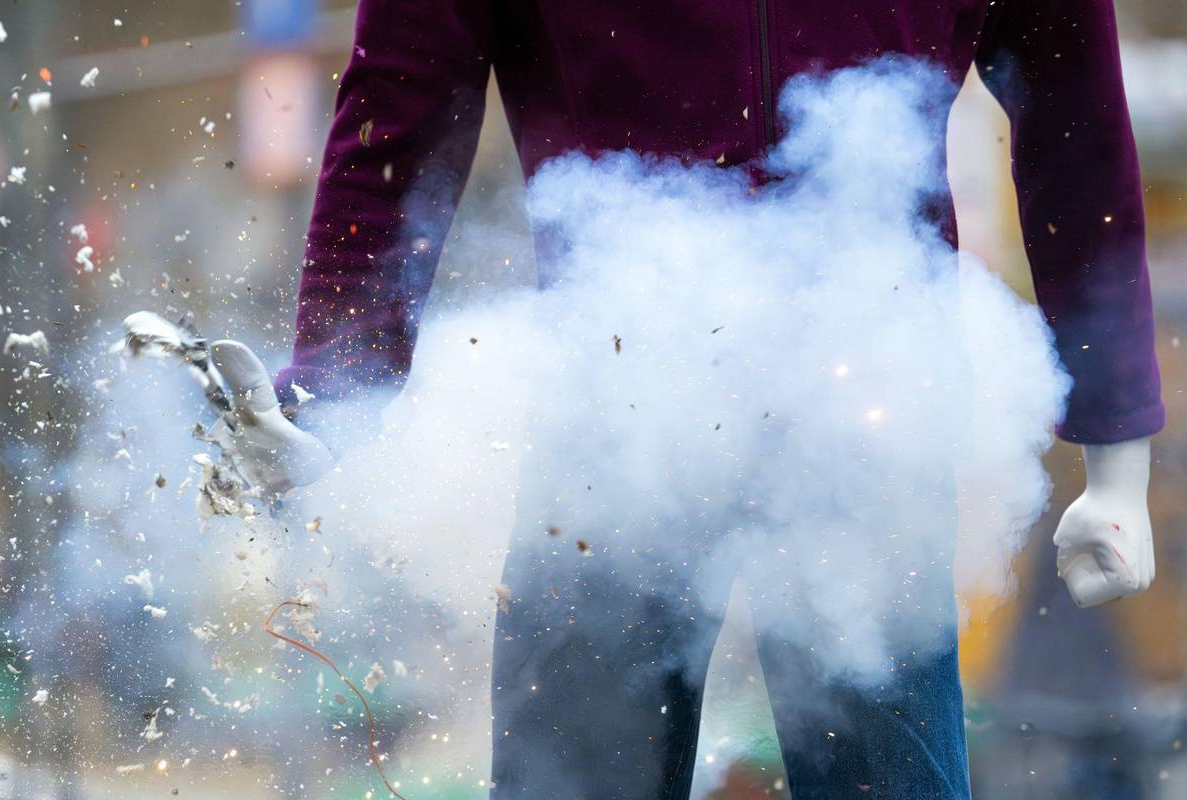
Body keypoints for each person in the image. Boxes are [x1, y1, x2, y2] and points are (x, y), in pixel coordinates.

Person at [208, 1, 1162, 797]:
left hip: (867, 423)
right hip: (616, 429)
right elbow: (401, 103)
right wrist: (337, 385)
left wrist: (1117, 445)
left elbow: (1073, 107)